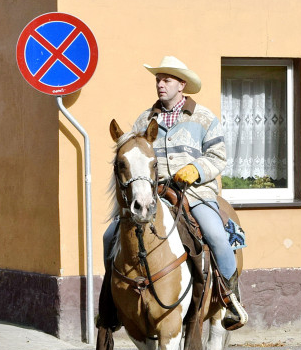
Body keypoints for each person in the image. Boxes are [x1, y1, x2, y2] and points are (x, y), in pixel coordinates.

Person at [101, 56, 248, 329]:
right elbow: (136, 156)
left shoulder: (204, 118)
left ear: (182, 85)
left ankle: (231, 300)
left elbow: (218, 157)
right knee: (110, 236)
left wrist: (196, 169)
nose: (160, 84)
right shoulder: (144, 119)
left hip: (196, 194)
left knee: (216, 235)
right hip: (154, 195)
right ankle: (111, 304)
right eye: (158, 80)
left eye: (166, 80)